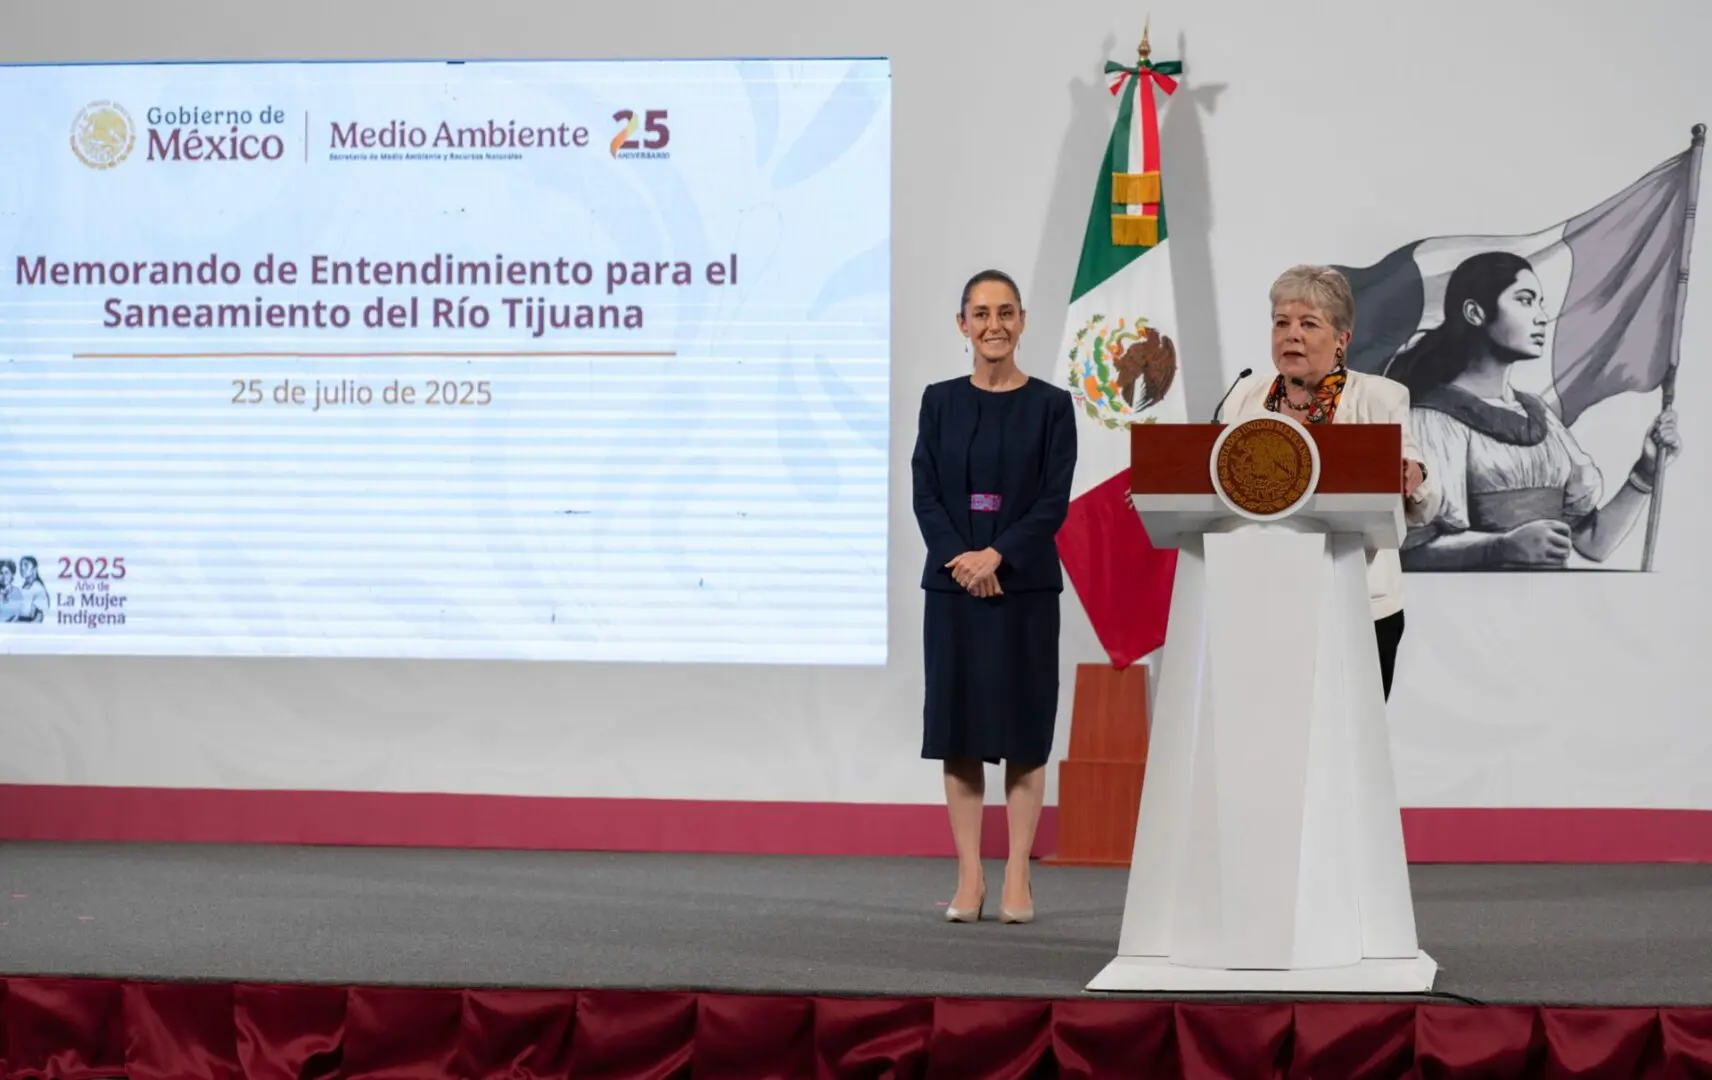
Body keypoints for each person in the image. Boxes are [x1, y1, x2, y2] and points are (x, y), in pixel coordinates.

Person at [910, 269, 1077, 924]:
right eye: (980, 314)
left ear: (1022, 321)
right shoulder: (939, 401)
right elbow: (926, 492)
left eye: (1006, 312)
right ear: (963, 325)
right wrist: (964, 561)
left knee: (1025, 732)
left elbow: (1053, 501)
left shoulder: (1052, 406)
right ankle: (970, 875)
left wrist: (997, 555)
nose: (994, 326)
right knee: (958, 732)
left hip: (1024, 588)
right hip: (954, 589)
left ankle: (1018, 876)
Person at [1220, 265, 1442, 700]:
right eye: (1281, 323)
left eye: (1308, 324)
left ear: (1342, 339)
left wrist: (1415, 476)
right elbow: (1215, 476)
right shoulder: (1244, 396)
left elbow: (1425, 499)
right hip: (1264, 599)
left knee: (1351, 731)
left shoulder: (1379, 398)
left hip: (1357, 603)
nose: (1291, 335)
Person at [1382, 251, 1681, 570]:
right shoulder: (1431, 419)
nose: (1541, 317)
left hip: (1550, 599)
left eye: (1540, 303)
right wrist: (1501, 547)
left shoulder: (1540, 416)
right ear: (1474, 312)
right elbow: (1409, 551)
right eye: (1525, 301)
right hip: (1475, 600)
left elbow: (1594, 543)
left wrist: (1646, 471)